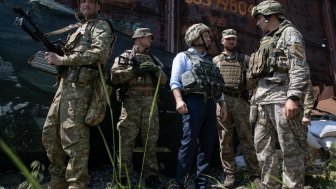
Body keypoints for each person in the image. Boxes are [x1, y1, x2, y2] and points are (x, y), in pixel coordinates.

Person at [42, 0, 115, 188]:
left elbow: (99, 54)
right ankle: (57, 178)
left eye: (91, 2)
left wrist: (63, 59)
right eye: (83, 1)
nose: (86, 4)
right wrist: (58, 57)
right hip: (64, 86)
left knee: (75, 138)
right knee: (51, 133)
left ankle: (77, 182)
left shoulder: (101, 26)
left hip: (81, 88)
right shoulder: (77, 28)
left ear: (99, 6)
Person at [248, 0, 310, 188]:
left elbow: (299, 67)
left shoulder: (290, 34)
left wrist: (293, 97)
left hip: (281, 98)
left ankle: (293, 185)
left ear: (268, 16)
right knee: (262, 146)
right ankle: (270, 184)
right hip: (262, 99)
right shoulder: (266, 39)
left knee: (289, 147)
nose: (257, 22)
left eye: (259, 18)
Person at [169, 23, 227, 189]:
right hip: (192, 103)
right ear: (197, 37)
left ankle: (202, 183)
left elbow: (217, 85)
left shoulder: (210, 61)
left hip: (209, 104)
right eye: (206, 35)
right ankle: (181, 182)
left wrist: (222, 105)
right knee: (189, 143)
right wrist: (179, 100)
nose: (210, 39)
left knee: (207, 144)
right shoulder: (183, 57)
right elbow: (175, 82)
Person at [110, 28, 167, 188]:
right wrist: (133, 70)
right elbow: (114, 77)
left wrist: (156, 70)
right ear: (138, 39)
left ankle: (151, 176)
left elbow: (164, 81)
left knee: (151, 142)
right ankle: (123, 176)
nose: (151, 40)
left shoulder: (154, 59)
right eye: (148, 37)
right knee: (126, 142)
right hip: (131, 104)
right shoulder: (125, 56)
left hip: (150, 104)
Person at [212, 29, 261, 188]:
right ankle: (230, 174)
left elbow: (254, 80)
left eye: (233, 39)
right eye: (228, 39)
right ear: (222, 41)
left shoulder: (244, 59)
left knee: (247, 137)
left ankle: (255, 174)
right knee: (225, 139)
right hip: (222, 101)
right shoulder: (216, 60)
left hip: (240, 101)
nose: (231, 42)